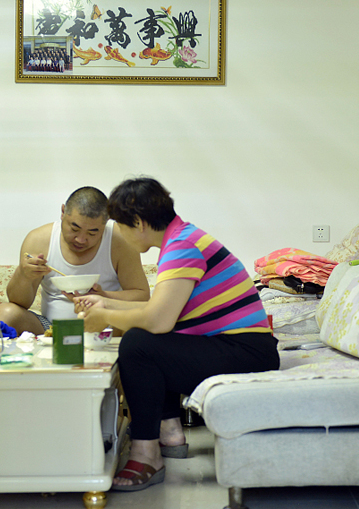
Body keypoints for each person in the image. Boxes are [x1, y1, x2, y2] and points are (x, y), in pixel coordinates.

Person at [73, 177, 279, 492]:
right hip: (243, 347)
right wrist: (105, 303)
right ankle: (169, 435)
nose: (121, 235)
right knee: (152, 340)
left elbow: (157, 320)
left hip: (248, 352)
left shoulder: (183, 247)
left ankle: (146, 453)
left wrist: (104, 316)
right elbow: (162, 310)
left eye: (122, 227)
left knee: (139, 343)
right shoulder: (182, 239)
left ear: (139, 223)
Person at [0, 186, 150, 335]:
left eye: (92, 233)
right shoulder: (39, 240)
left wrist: (104, 297)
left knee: (136, 324)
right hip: (51, 327)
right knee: (5, 313)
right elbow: (19, 303)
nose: (81, 239)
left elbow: (142, 296)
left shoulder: (120, 240)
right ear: (63, 212)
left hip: (107, 325)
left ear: (106, 222)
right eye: (74, 229)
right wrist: (24, 275)